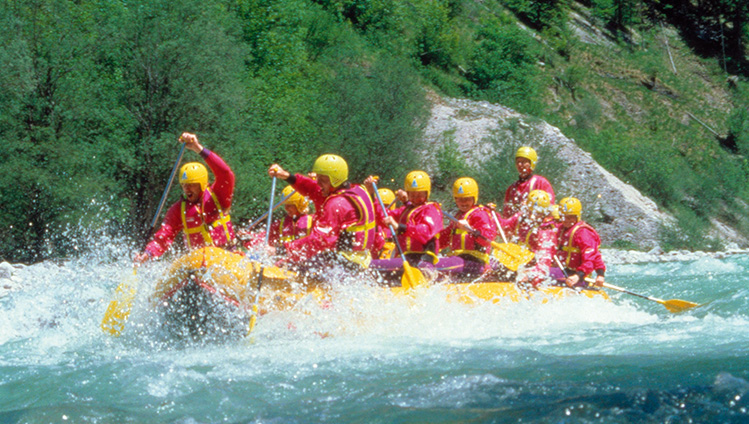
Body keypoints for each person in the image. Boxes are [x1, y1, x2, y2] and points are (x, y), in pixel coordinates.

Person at [135, 132, 235, 263]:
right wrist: (147, 254)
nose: (187, 189)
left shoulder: (218, 196)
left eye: (192, 185)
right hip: (200, 263)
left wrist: (198, 148)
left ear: (203, 184)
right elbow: (164, 237)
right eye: (184, 185)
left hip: (226, 256)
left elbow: (225, 173)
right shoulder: (179, 210)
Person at [267, 154, 377, 272]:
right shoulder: (356, 189)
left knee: (292, 268)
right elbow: (313, 189)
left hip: (348, 263)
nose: (318, 183)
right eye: (318, 178)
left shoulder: (337, 204)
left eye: (323, 180)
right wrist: (288, 176)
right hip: (360, 258)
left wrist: (280, 250)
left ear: (335, 179)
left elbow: (319, 240)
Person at [367, 171, 443, 278]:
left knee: (372, 267)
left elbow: (425, 231)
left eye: (420, 195)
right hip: (406, 258)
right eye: (412, 195)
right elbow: (382, 217)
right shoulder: (405, 211)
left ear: (427, 193)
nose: (416, 198)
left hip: (423, 258)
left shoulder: (432, 209)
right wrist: (371, 194)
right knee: (370, 268)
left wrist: (399, 227)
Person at [435, 177, 496, 278]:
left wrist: (471, 230)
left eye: (467, 199)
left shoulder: (481, 214)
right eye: (460, 199)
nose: (463, 203)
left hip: (474, 261)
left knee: (433, 266)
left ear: (474, 198)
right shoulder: (457, 217)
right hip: (458, 259)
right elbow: (443, 240)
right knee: (429, 262)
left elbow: (488, 238)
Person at [556, 197, 606, 288]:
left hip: (578, 275)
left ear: (577, 216)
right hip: (563, 270)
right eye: (562, 216)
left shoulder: (583, 233)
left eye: (569, 217)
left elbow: (592, 258)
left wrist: (600, 274)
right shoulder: (560, 229)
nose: (565, 220)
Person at [502, 146, 555, 219]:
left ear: (531, 164)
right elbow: (506, 215)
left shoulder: (541, 182)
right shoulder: (511, 189)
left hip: (538, 225)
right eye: (518, 162)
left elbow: (550, 209)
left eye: (523, 162)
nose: (520, 165)